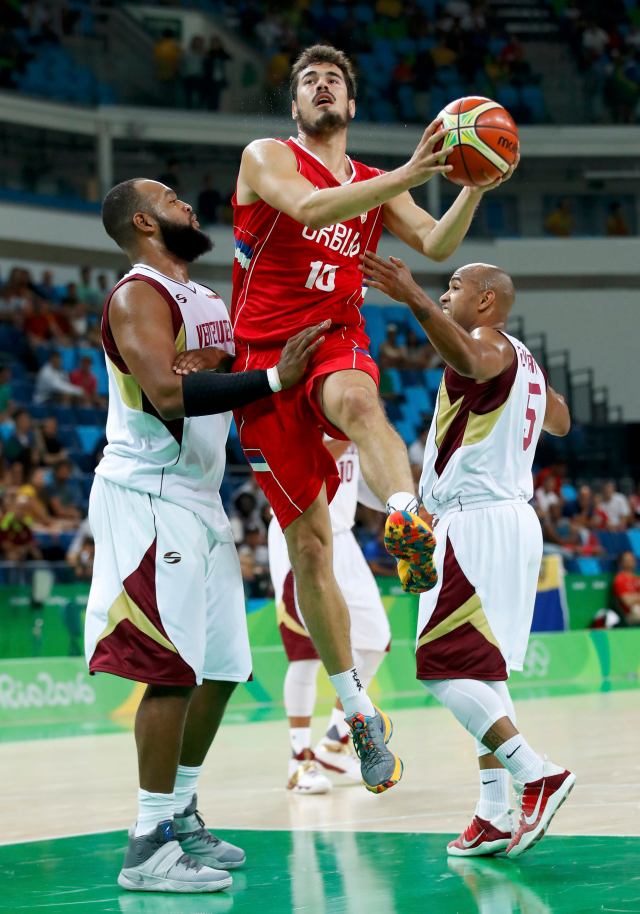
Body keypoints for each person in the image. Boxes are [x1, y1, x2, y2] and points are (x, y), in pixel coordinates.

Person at [230, 43, 517, 794]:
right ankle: (356, 711)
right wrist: (418, 171)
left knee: (360, 400)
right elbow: (313, 208)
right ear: (296, 107)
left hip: (334, 339)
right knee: (310, 548)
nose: (322, 88)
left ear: (351, 107)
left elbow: (436, 242)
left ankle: (404, 516)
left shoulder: (377, 182)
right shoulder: (266, 156)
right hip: (263, 362)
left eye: (334, 82)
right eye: (308, 82)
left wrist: (475, 183)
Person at [84, 176, 328, 894]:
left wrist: (227, 366)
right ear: (143, 222)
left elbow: (210, 374)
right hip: (150, 495)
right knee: (168, 671)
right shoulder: (137, 294)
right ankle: (148, 842)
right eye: (169, 198)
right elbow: (166, 393)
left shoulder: (205, 299)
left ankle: (181, 812)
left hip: (200, 498)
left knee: (222, 668)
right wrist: (273, 380)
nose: (188, 203)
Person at [361, 250, 575, 858]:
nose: (445, 290)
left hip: (474, 522)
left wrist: (414, 298)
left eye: (455, 285)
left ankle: (536, 773)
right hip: (513, 521)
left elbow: (472, 357)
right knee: (482, 670)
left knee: (439, 666)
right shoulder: (525, 361)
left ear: (486, 301)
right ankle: (491, 810)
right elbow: (558, 420)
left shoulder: (485, 343)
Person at [268, 439, 390, 793]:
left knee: (374, 643)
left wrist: (401, 502)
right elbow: (304, 466)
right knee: (305, 654)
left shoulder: (346, 416)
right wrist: (348, 430)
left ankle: (335, 744)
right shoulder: (313, 410)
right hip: (300, 529)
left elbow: (359, 487)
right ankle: (298, 760)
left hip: (343, 539)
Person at [612, 551, 640, 625]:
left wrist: (635, 597)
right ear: (621, 563)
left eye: (633, 559)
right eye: (628, 560)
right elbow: (627, 601)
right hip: (631, 614)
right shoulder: (620, 579)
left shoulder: (637, 579)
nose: (632, 562)